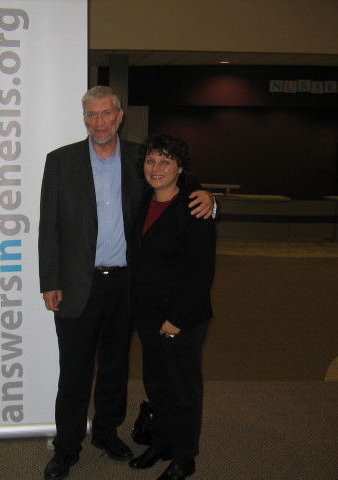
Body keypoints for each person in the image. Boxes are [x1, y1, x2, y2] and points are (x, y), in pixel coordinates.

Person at [38, 86, 215, 480]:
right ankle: (66, 448)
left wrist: (211, 198)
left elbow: (178, 181)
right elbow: (48, 226)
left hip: (127, 286)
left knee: (116, 369)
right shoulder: (60, 161)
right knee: (74, 373)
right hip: (75, 285)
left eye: (106, 114)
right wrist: (49, 280)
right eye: (91, 115)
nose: (98, 122)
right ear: (84, 118)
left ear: (119, 117)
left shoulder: (140, 159)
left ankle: (105, 433)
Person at [128, 134, 216, 480]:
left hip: (182, 319)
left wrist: (177, 318)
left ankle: (184, 457)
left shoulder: (194, 206)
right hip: (148, 316)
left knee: (183, 389)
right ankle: (161, 442)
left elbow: (202, 270)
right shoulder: (144, 201)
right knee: (157, 383)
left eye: (166, 161)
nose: (157, 168)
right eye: (151, 161)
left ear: (180, 168)